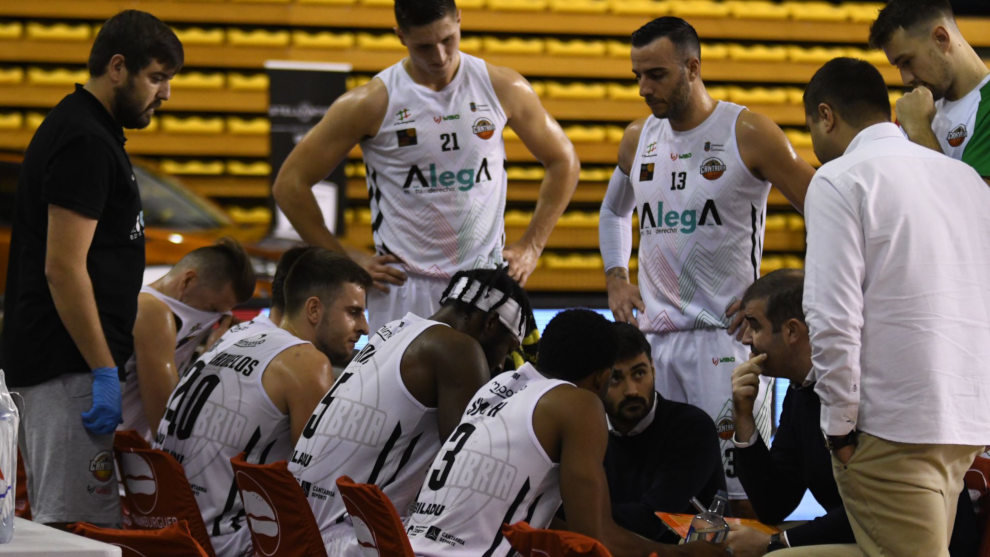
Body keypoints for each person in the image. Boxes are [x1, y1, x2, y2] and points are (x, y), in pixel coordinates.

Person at [598, 16, 815, 504]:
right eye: (637, 75)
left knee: (739, 495)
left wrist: (793, 291)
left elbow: (824, 208)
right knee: (665, 496)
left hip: (727, 341)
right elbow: (613, 210)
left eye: (655, 74)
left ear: (692, 67)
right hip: (655, 344)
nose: (642, 88)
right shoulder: (638, 138)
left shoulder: (749, 131)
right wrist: (616, 276)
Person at [272, 0, 579, 333]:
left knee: (486, 386)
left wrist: (532, 246)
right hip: (404, 288)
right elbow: (289, 185)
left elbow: (564, 161)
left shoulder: (502, 87)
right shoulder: (371, 102)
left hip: (484, 282)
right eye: (424, 46)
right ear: (400, 36)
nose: (439, 56)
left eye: (448, 39)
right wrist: (344, 258)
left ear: (460, 20)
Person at [0, 10, 182, 527]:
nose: (166, 95)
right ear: (118, 67)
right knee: (79, 531)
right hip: (67, 366)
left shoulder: (90, 130)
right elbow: (63, 267)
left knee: (67, 524)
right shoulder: (83, 139)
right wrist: (103, 369)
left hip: (65, 364)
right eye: (157, 77)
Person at [802, 57, 990, 557]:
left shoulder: (839, 179)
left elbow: (831, 315)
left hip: (892, 425)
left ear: (826, 115)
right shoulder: (966, 179)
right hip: (965, 419)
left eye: (812, 131)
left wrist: (838, 425)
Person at [406, 309, 727, 557]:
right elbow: (596, 539)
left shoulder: (497, 387)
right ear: (601, 378)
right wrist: (681, 553)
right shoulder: (578, 404)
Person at [727, 269, 979, 556]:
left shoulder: (868, 387)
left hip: (918, 541)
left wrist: (778, 543)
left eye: (754, 325)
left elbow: (879, 503)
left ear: (792, 331)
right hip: (865, 535)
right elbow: (774, 503)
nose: (746, 338)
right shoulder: (800, 393)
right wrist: (744, 418)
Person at [289, 267, 531, 554]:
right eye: (508, 347)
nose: (502, 364)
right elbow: (467, 477)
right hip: (346, 540)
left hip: (299, 528)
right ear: (491, 323)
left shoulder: (391, 332)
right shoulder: (459, 350)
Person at [154, 248, 371, 556]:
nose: (365, 327)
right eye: (353, 312)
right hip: (224, 545)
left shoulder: (235, 336)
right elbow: (324, 490)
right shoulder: (307, 363)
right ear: (313, 310)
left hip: (164, 532)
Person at [121, 238, 256, 441]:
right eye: (212, 309)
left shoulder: (174, 311)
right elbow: (167, 425)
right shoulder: (152, 311)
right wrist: (213, 357)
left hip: (127, 450)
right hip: (103, 452)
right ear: (187, 281)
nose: (214, 319)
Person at [603, 322, 725, 543]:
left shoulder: (692, 428)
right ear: (598, 381)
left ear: (653, 369)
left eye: (639, 373)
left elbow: (652, 521)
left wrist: (580, 516)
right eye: (616, 378)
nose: (631, 390)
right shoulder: (588, 432)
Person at [868, 0, 990, 182]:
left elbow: (974, 206)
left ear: (941, 38)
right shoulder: (916, 107)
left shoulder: (916, 118)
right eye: (898, 67)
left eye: (907, 62)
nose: (906, 79)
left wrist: (919, 130)